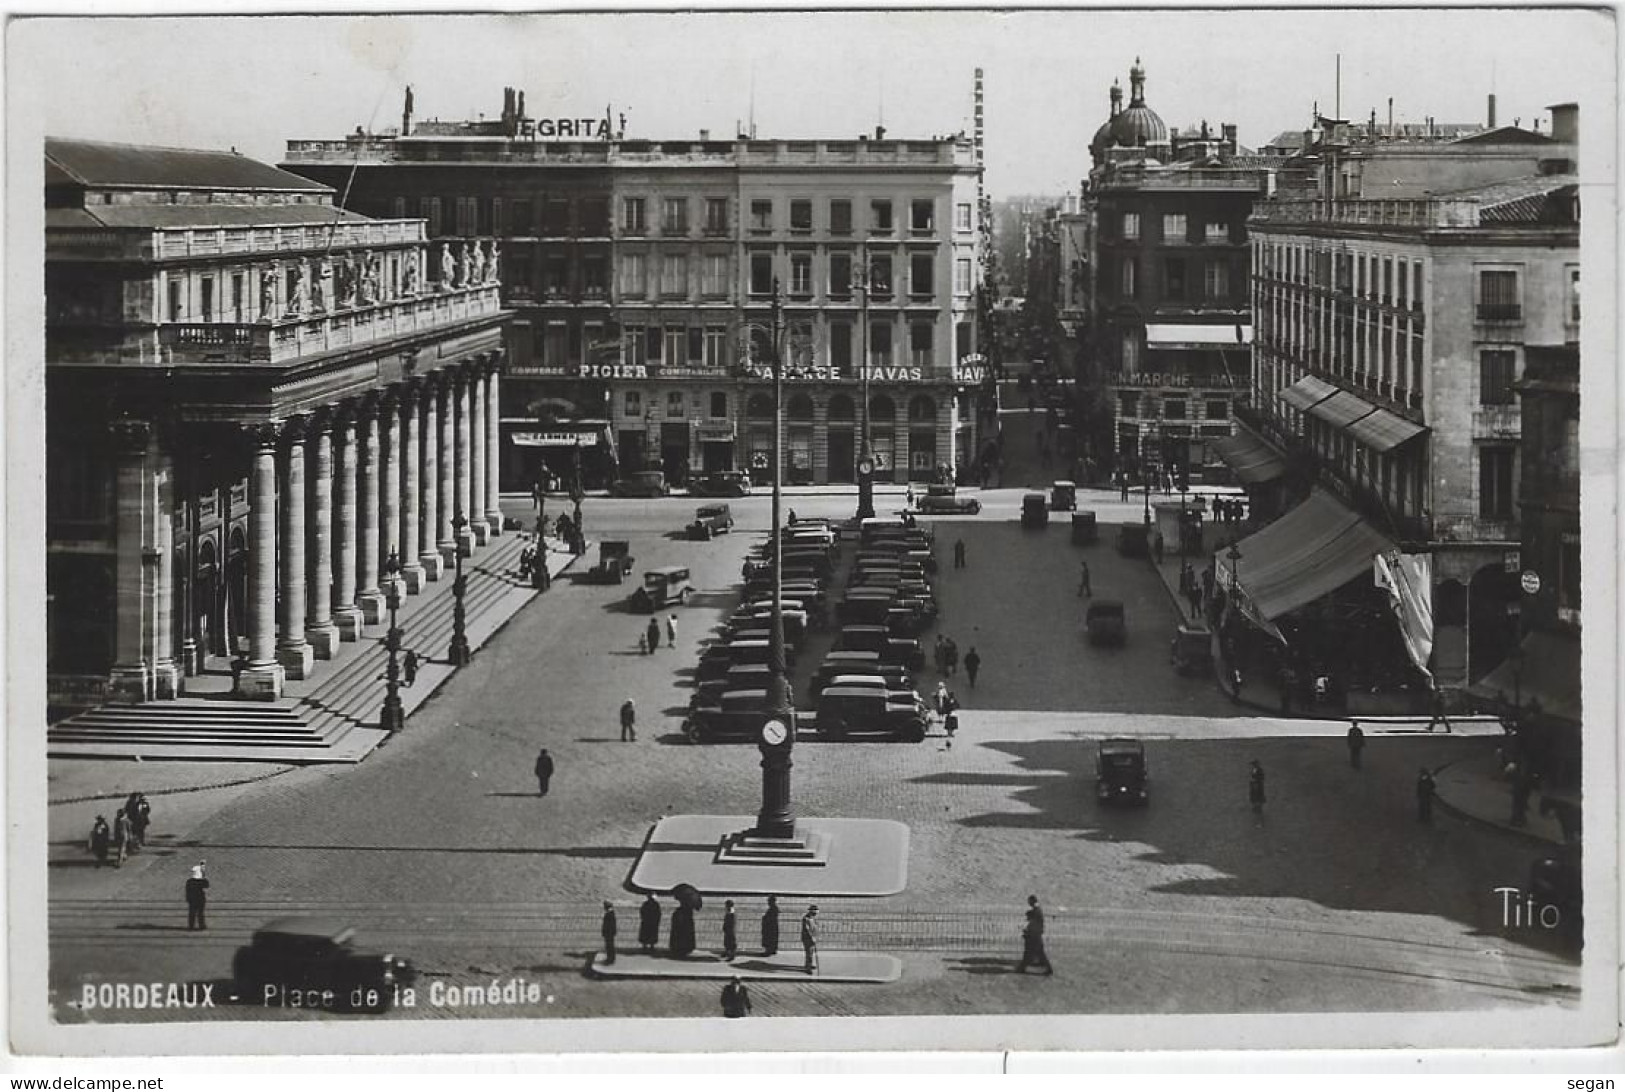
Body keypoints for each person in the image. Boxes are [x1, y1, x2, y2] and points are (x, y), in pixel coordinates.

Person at [1016, 895, 1053, 974]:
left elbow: (1034, 924)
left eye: (1029, 901)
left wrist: (1027, 932)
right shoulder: (1037, 910)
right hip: (1036, 935)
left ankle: (1022, 968)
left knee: (1029, 953)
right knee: (1039, 953)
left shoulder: (1036, 911)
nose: (1028, 903)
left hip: (1034, 936)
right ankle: (1047, 968)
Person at [185, 862, 209, 931]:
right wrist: (204, 875)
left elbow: (187, 890)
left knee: (192, 913)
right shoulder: (201, 881)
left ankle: (191, 926)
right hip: (200, 899)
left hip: (192, 899)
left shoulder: (189, 881)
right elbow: (207, 885)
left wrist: (188, 899)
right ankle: (201, 926)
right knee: (200, 913)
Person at [800, 905, 820, 975]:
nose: (816, 914)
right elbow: (807, 929)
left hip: (813, 938)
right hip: (807, 938)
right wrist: (812, 937)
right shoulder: (806, 918)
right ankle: (808, 968)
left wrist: (816, 936)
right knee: (809, 953)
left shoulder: (813, 918)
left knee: (811, 953)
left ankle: (808, 964)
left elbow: (815, 927)